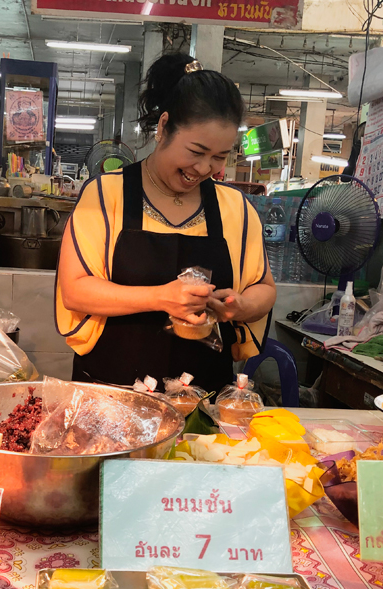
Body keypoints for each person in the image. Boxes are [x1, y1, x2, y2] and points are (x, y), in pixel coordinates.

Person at [55, 53, 276, 392]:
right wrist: (161, 297)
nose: (205, 169)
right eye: (196, 151)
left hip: (203, 402)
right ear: (163, 128)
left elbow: (264, 289)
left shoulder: (236, 209)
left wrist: (241, 306)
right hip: (110, 395)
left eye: (219, 157)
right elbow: (75, 291)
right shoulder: (105, 195)